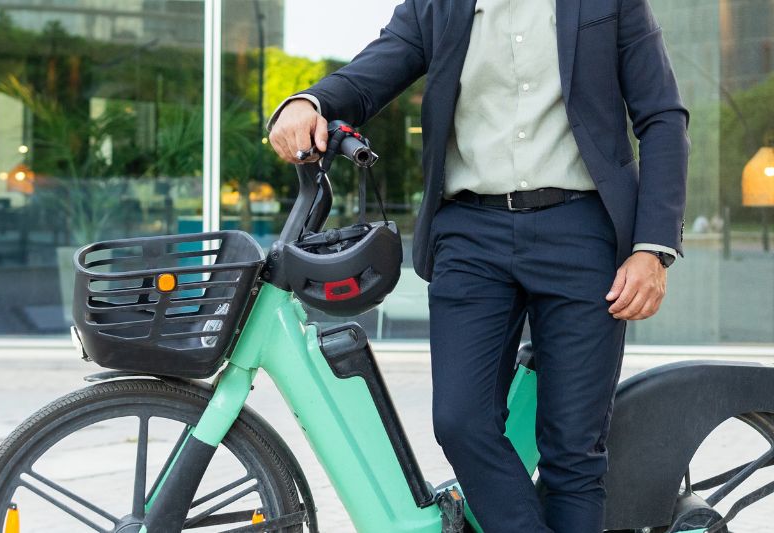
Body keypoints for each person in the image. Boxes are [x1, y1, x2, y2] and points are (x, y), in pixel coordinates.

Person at [266, 0, 689, 531]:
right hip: (472, 234)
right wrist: (309, 102)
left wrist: (653, 247)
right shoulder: (436, 5)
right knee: (460, 421)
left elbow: (662, 117)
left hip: (583, 230)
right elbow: (373, 72)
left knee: (573, 452)